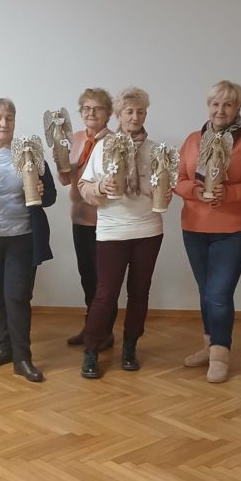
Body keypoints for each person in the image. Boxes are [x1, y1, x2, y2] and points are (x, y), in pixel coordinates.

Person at [175, 80, 241, 383]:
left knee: (219, 293)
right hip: (194, 228)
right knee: (205, 291)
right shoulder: (193, 140)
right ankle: (209, 345)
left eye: (228, 104)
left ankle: (220, 354)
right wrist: (195, 191)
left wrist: (229, 194)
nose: (220, 110)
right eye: (215, 104)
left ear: (238, 107)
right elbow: (177, 179)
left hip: (234, 230)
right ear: (209, 106)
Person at [78, 86, 168, 379]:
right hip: (112, 231)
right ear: (118, 115)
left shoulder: (155, 149)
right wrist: (100, 187)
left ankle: (130, 346)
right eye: (129, 111)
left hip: (148, 229)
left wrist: (165, 194)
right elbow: (84, 186)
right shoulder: (104, 146)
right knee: (105, 294)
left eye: (140, 111)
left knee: (139, 292)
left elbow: (165, 186)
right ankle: (91, 350)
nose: (135, 116)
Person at [0, 98, 56, 382]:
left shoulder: (30, 152)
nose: (3, 123)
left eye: (9, 118)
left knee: (17, 297)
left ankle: (23, 358)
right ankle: (4, 348)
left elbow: (50, 197)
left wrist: (41, 191)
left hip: (21, 238)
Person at [54, 87, 115, 348]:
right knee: (87, 277)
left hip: (107, 221)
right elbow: (66, 180)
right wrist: (59, 161)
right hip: (80, 219)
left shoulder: (115, 142)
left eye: (97, 108)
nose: (91, 113)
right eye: (86, 108)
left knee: (104, 282)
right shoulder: (75, 138)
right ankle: (92, 327)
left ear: (108, 113)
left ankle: (105, 332)